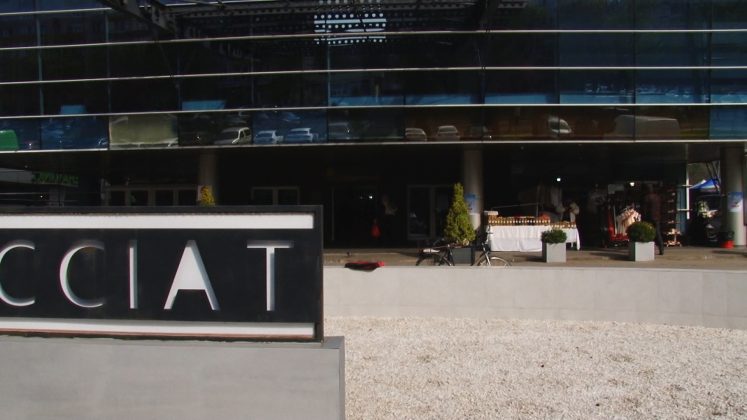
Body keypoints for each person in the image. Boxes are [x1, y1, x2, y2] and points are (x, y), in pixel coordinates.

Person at [642, 184, 665, 255]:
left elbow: (644, 209)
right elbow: (661, 207)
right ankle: (661, 249)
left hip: (649, 217)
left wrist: (643, 217)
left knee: (647, 233)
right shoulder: (657, 197)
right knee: (658, 233)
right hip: (657, 217)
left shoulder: (646, 198)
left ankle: (648, 249)